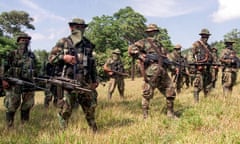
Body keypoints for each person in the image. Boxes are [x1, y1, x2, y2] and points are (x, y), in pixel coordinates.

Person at [48, 18, 98, 132]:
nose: (79, 29)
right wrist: (63, 57)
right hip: (67, 82)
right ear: (71, 28)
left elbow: (92, 64)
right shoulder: (63, 42)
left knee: (90, 108)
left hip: (85, 82)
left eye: (82, 27)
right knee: (65, 110)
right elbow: (50, 59)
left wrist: (95, 79)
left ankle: (94, 131)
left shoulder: (88, 44)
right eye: (77, 27)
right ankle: (63, 133)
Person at [128, 24, 177, 119]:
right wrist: (140, 56)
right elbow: (131, 49)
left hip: (162, 70)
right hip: (151, 70)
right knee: (147, 93)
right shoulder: (143, 42)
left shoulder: (160, 44)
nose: (153, 33)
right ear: (148, 32)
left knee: (170, 90)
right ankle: (145, 116)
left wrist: (172, 67)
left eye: (154, 31)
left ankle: (170, 114)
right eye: (151, 31)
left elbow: (166, 57)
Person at [2, 33, 37, 128]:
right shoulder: (12, 54)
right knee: (12, 105)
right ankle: (9, 126)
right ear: (18, 42)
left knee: (28, 105)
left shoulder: (32, 55)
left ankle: (24, 125)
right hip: (13, 84)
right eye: (22, 40)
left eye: (27, 40)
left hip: (28, 84)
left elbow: (35, 69)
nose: (25, 42)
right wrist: (3, 80)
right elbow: (3, 68)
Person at [189, 28, 213, 103]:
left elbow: (211, 57)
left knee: (208, 86)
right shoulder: (196, 44)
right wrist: (196, 65)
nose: (206, 38)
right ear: (201, 36)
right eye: (204, 36)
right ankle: (196, 102)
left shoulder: (208, 46)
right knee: (197, 86)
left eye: (207, 36)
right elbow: (190, 56)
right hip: (199, 69)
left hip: (207, 69)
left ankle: (207, 101)